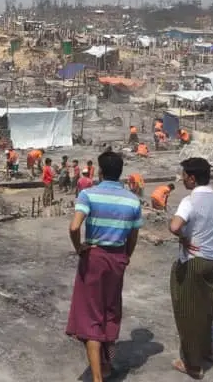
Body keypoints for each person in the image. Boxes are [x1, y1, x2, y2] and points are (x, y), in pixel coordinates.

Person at [66, 151, 142, 382]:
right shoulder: (132, 200)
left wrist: (79, 248)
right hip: (118, 257)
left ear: (100, 171)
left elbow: (73, 227)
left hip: (95, 258)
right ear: (120, 173)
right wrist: (125, 256)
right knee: (111, 308)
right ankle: (107, 365)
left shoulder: (88, 195)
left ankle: (97, 377)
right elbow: (133, 235)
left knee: (91, 314)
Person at [168, 157, 213, 380]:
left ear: (192, 178)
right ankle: (207, 350)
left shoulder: (190, 200)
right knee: (205, 308)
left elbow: (175, 226)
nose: (182, 179)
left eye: (184, 175)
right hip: (211, 261)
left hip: (192, 260)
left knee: (187, 311)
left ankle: (192, 364)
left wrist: (184, 238)